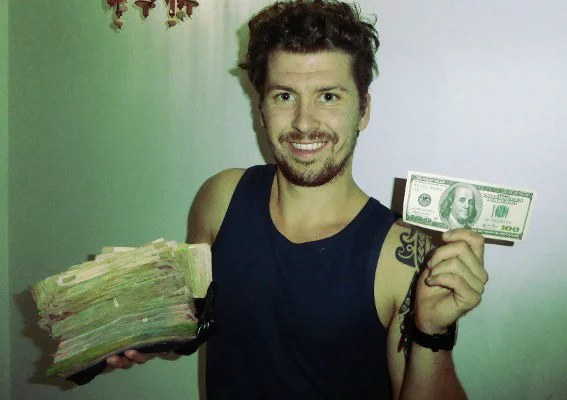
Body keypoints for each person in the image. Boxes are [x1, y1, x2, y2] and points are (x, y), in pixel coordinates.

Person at [107, 1, 488, 398]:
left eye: (328, 97)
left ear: (363, 110)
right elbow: (192, 320)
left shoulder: (403, 255)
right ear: (261, 109)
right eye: (285, 96)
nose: (304, 123)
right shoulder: (220, 199)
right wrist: (142, 333)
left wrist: (432, 333)